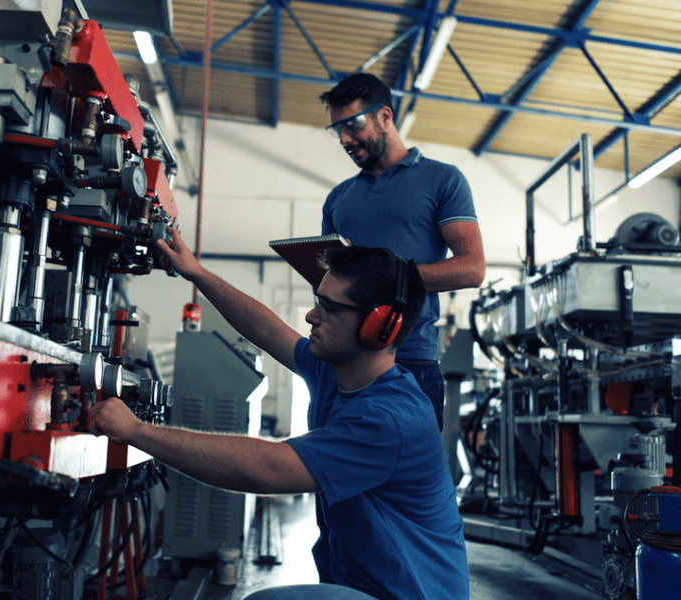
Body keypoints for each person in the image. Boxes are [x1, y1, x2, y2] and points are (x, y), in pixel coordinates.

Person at [87, 227, 470, 600]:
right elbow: (269, 331)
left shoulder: (390, 418)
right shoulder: (337, 369)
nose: (311, 317)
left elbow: (265, 469)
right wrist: (195, 272)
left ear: (380, 329)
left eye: (330, 308)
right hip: (367, 583)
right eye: (318, 301)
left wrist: (136, 431)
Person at [319, 72, 486, 431]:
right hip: (344, 364)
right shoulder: (338, 199)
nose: (345, 139)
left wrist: (386, 280)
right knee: (337, 482)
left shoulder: (443, 180)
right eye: (337, 131)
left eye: (352, 124)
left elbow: (472, 269)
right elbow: (325, 279)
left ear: (385, 117)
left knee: (409, 484)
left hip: (410, 363)